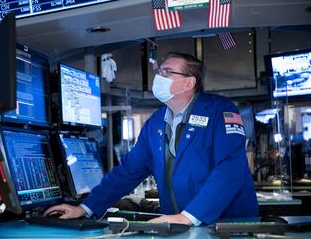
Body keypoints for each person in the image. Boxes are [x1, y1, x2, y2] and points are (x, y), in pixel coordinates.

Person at [44, 52, 258, 225]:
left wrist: (190, 216)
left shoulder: (220, 110)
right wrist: (84, 208)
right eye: (159, 71)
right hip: (177, 225)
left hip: (226, 224)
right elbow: (128, 172)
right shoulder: (156, 121)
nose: (159, 77)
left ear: (188, 83)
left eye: (167, 72)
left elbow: (231, 168)